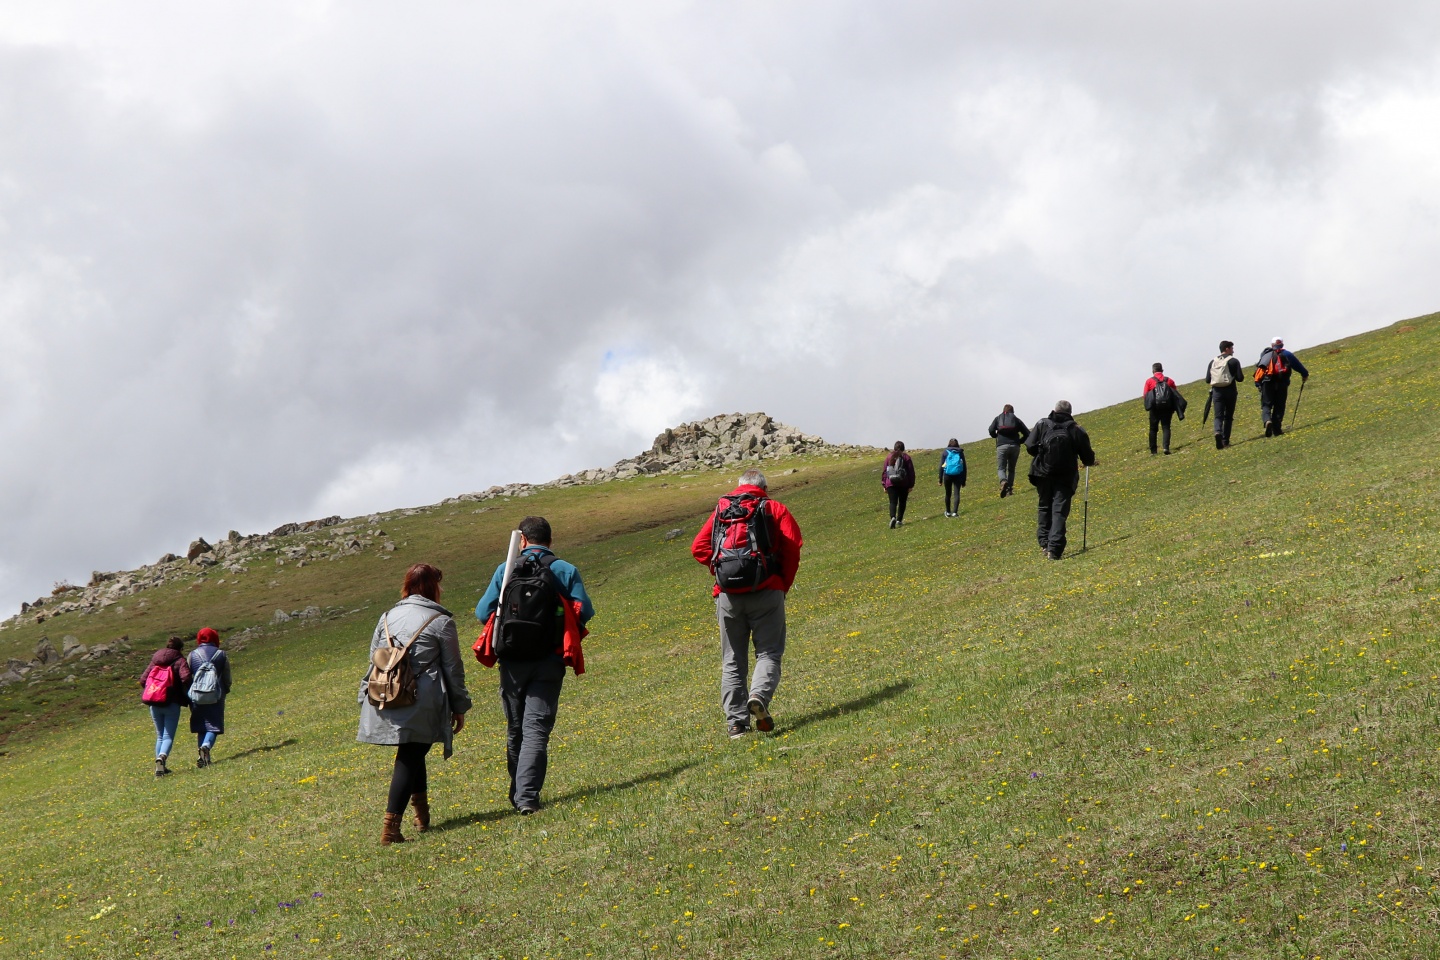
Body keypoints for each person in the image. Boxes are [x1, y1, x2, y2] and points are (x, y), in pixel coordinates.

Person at [474, 517, 593, 816]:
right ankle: (527, 797)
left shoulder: (507, 568)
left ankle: (518, 793)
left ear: (523, 540)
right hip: (550, 660)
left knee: (516, 729)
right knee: (536, 729)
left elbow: (482, 611)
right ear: (550, 541)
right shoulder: (564, 569)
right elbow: (585, 611)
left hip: (512, 661)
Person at [359, 563, 472, 844]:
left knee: (413, 749)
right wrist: (460, 705)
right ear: (433, 587)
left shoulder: (387, 616)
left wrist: (364, 696)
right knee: (410, 755)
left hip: (386, 695)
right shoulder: (440, 621)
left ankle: (422, 817)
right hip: (422, 699)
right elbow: (453, 668)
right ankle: (390, 829)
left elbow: (374, 658)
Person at [690, 468, 803, 739]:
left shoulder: (721, 510)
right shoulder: (774, 508)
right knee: (769, 652)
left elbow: (699, 548)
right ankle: (758, 696)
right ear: (764, 487)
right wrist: (781, 583)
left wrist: (721, 571)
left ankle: (736, 725)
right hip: (768, 590)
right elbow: (792, 547)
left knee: (732, 660)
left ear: (739, 486)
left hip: (728, 595)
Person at [1024, 400, 1097, 560]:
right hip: (1065, 475)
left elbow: (1029, 445)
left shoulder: (1043, 423)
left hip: (1042, 472)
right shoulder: (1076, 429)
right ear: (1070, 412)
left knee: (1044, 506)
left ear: (1054, 410)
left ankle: (1044, 543)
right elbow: (1088, 458)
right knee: (1059, 511)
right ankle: (1054, 550)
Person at [140, 636, 191, 777]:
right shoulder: (180, 660)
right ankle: (162, 757)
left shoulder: (155, 660)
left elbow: (143, 679)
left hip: (154, 702)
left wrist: (155, 688)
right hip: (171, 703)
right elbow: (186, 678)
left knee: (160, 735)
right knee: (168, 735)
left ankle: (160, 768)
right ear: (180, 648)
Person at [187, 627, 232, 769]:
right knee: (214, 724)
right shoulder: (221, 654)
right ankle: (206, 746)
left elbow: (187, 676)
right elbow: (227, 676)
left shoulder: (192, 655)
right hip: (216, 693)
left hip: (197, 695)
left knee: (201, 725)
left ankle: (204, 755)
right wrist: (226, 688)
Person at [1254, 337, 1309, 436]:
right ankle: (1277, 430)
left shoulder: (1265, 355)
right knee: (1279, 406)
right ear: (1282, 344)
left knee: (1266, 405)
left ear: (1272, 345)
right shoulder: (1287, 354)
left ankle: (1267, 421)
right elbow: (1298, 366)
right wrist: (1304, 374)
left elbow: (1260, 370)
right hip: (1282, 383)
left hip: (1267, 383)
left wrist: (1258, 384)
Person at [1205, 340, 1243, 449]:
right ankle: (1225, 441)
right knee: (1228, 417)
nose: (1233, 350)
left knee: (1218, 416)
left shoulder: (1212, 361)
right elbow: (1240, 378)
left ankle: (1217, 432)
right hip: (1230, 391)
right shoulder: (1234, 361)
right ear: (1227, 349)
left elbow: (1208, 380)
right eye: (1232, 348)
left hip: (1217, 392)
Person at [1142, 362, 1185, 455]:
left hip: (1155, 408)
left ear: (1153, 371)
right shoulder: (1169, 381)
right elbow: (1175, 394)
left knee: (1153, 429)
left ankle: (1153, 451)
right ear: (1162, 370)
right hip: (1167, 408)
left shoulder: (1149, 381)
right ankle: (1166, 448)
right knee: (1166, 427)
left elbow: (1145, 395)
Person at [987, 404, 1030, 497]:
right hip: (1015, 446)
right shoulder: (1016, 420)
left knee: (1001, 468)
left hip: (1002, 446)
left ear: (1003, 411)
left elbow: (990, 429)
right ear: (1013, 412)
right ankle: (1009, 490)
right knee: (1011, 469)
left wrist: (995, 435)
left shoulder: (998, 418)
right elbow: (1027, 433)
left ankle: (1003, 482)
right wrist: (1020, 441)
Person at [880, 441, 916, 528]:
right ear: (903, 448)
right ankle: (899, 520)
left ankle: (893, 517)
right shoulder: (906, 457)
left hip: (891, 483)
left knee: (893, 502)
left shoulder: (889, 457)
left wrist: (884, 485)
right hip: (904, 483)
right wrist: (911, 485)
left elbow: (885, 471)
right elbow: (911, 472)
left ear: (894, 448)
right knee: (902, 502)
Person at [937, 439, 967, 517]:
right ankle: (955, 512)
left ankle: (948, 512)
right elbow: (964, 467)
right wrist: (964, 480)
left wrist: (940, 479)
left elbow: (941, 466)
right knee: (957, 493)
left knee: (948, 494)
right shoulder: (960, 452)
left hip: (947, 475)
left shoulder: (945, 452)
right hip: (958, 474)